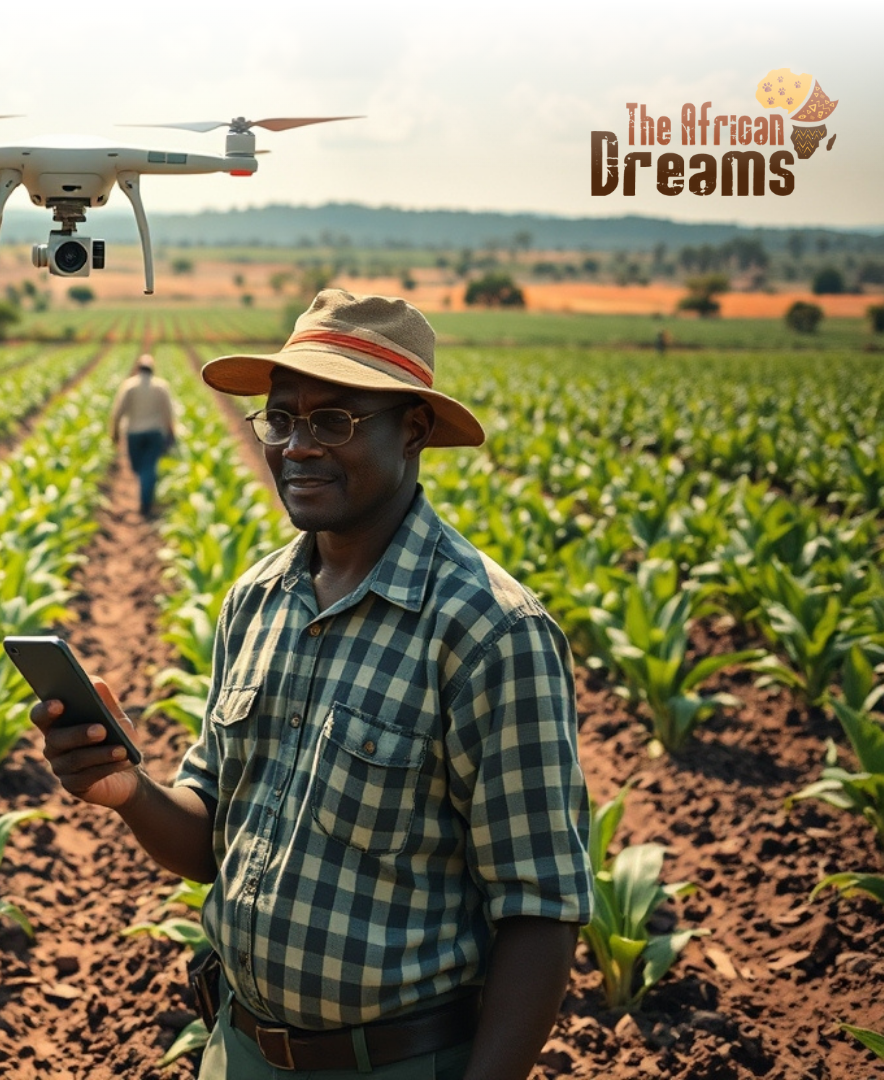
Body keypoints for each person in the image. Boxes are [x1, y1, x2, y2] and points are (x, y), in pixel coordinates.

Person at [34, 291, 592, 1080]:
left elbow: (540, 909)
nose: (297, 446)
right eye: (281, 418)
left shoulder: (488, 631)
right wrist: (129, 790)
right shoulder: (255, 602)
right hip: (238, 1048)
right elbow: (212, 841)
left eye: (334, 421)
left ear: (413, 430)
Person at [109, 354, 176, 517]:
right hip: (155, 432)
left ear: (138, 368)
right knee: (147, 467)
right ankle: (146, 495)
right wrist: (171, 433)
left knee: (140, 467)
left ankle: (145, 502)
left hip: (134, 433)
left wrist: (115, 432)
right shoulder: (161, 387)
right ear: (152, 369)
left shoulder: (129, 386)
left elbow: (118, 412)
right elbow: (168, 414)